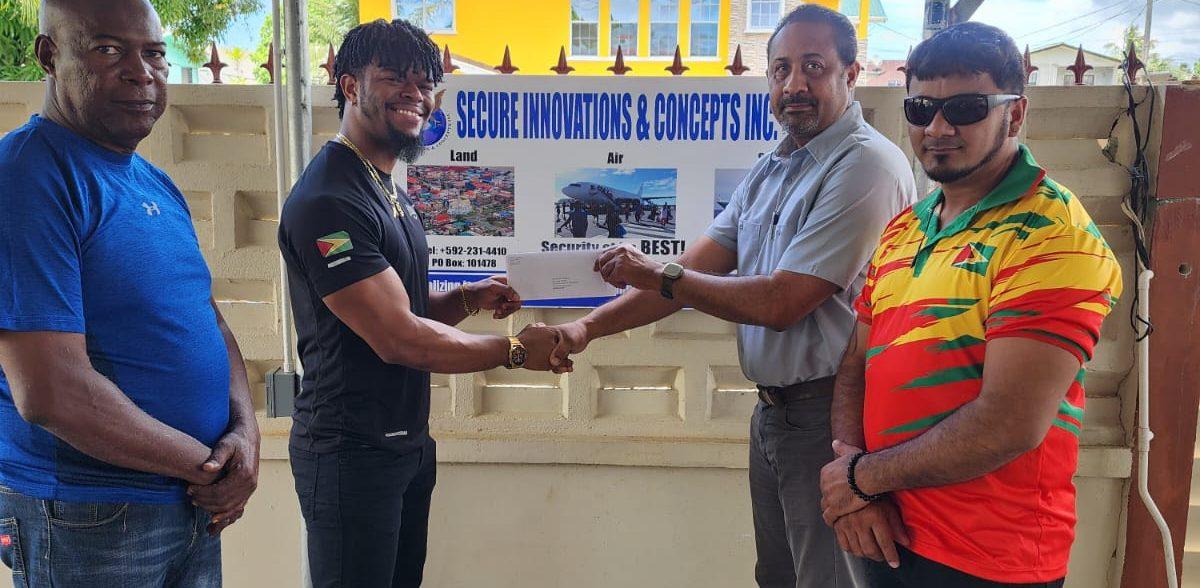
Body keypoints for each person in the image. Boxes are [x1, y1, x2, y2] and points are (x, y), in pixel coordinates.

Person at [548, 5, 915, 587]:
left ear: (851, 72)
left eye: (813, 66)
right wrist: (585, 330)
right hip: (774, 415)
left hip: (831, 418)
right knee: (778, 578)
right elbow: (690, 273)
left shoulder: (865, 165)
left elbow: (781, 302)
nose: (794, 84)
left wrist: (660, 276)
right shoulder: (774, 168)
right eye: (781, 68)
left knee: (824, 580)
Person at [820, 23, 1123, 588]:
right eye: (920, 108)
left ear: (1014, 114)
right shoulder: (904, 230)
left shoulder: (1051, 233)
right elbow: (856, 364)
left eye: (965, 107)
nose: (937, 127)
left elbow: (1008, 424)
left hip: (989, 555)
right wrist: (856, 484)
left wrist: (861, 477)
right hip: (883, 531)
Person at [277, 19, 563, 588]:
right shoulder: (329, 198)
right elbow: (397, 338)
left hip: (403, 444)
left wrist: (465, 298)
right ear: (350, 84)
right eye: (395, 77)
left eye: (425, 82)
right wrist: (512, 353)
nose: (416, 94)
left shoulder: (387, 189)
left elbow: (403, 308)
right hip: (349, 452)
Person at [0, 0, 259, 586]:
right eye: (108, 50)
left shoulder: (152, 180)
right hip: (87, 515)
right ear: (49, 55)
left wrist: (244, 434)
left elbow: (208, 320)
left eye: (155, 54)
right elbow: (50, 391)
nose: (141, 73)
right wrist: (210, 469)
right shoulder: (28, 177)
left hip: (185, 502)